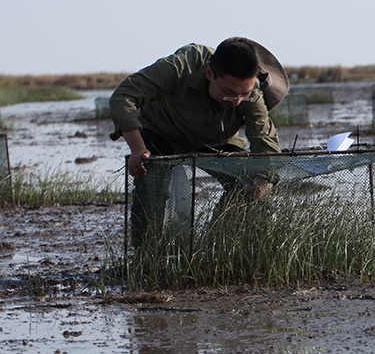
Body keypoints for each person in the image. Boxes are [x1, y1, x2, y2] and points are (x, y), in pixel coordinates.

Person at [109, 38, 285, 241]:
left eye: (243, 95)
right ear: (210, 74)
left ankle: (214, 244)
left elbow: (265, 145)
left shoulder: (252, 94)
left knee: (250, 180)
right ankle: (148, 255)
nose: (236, 102)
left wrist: (260, 185)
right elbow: (123, 97)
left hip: (216, 139)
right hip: (162, 132)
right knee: (152, 181)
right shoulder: (181, 66)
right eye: (228, 94)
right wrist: (138, 148)